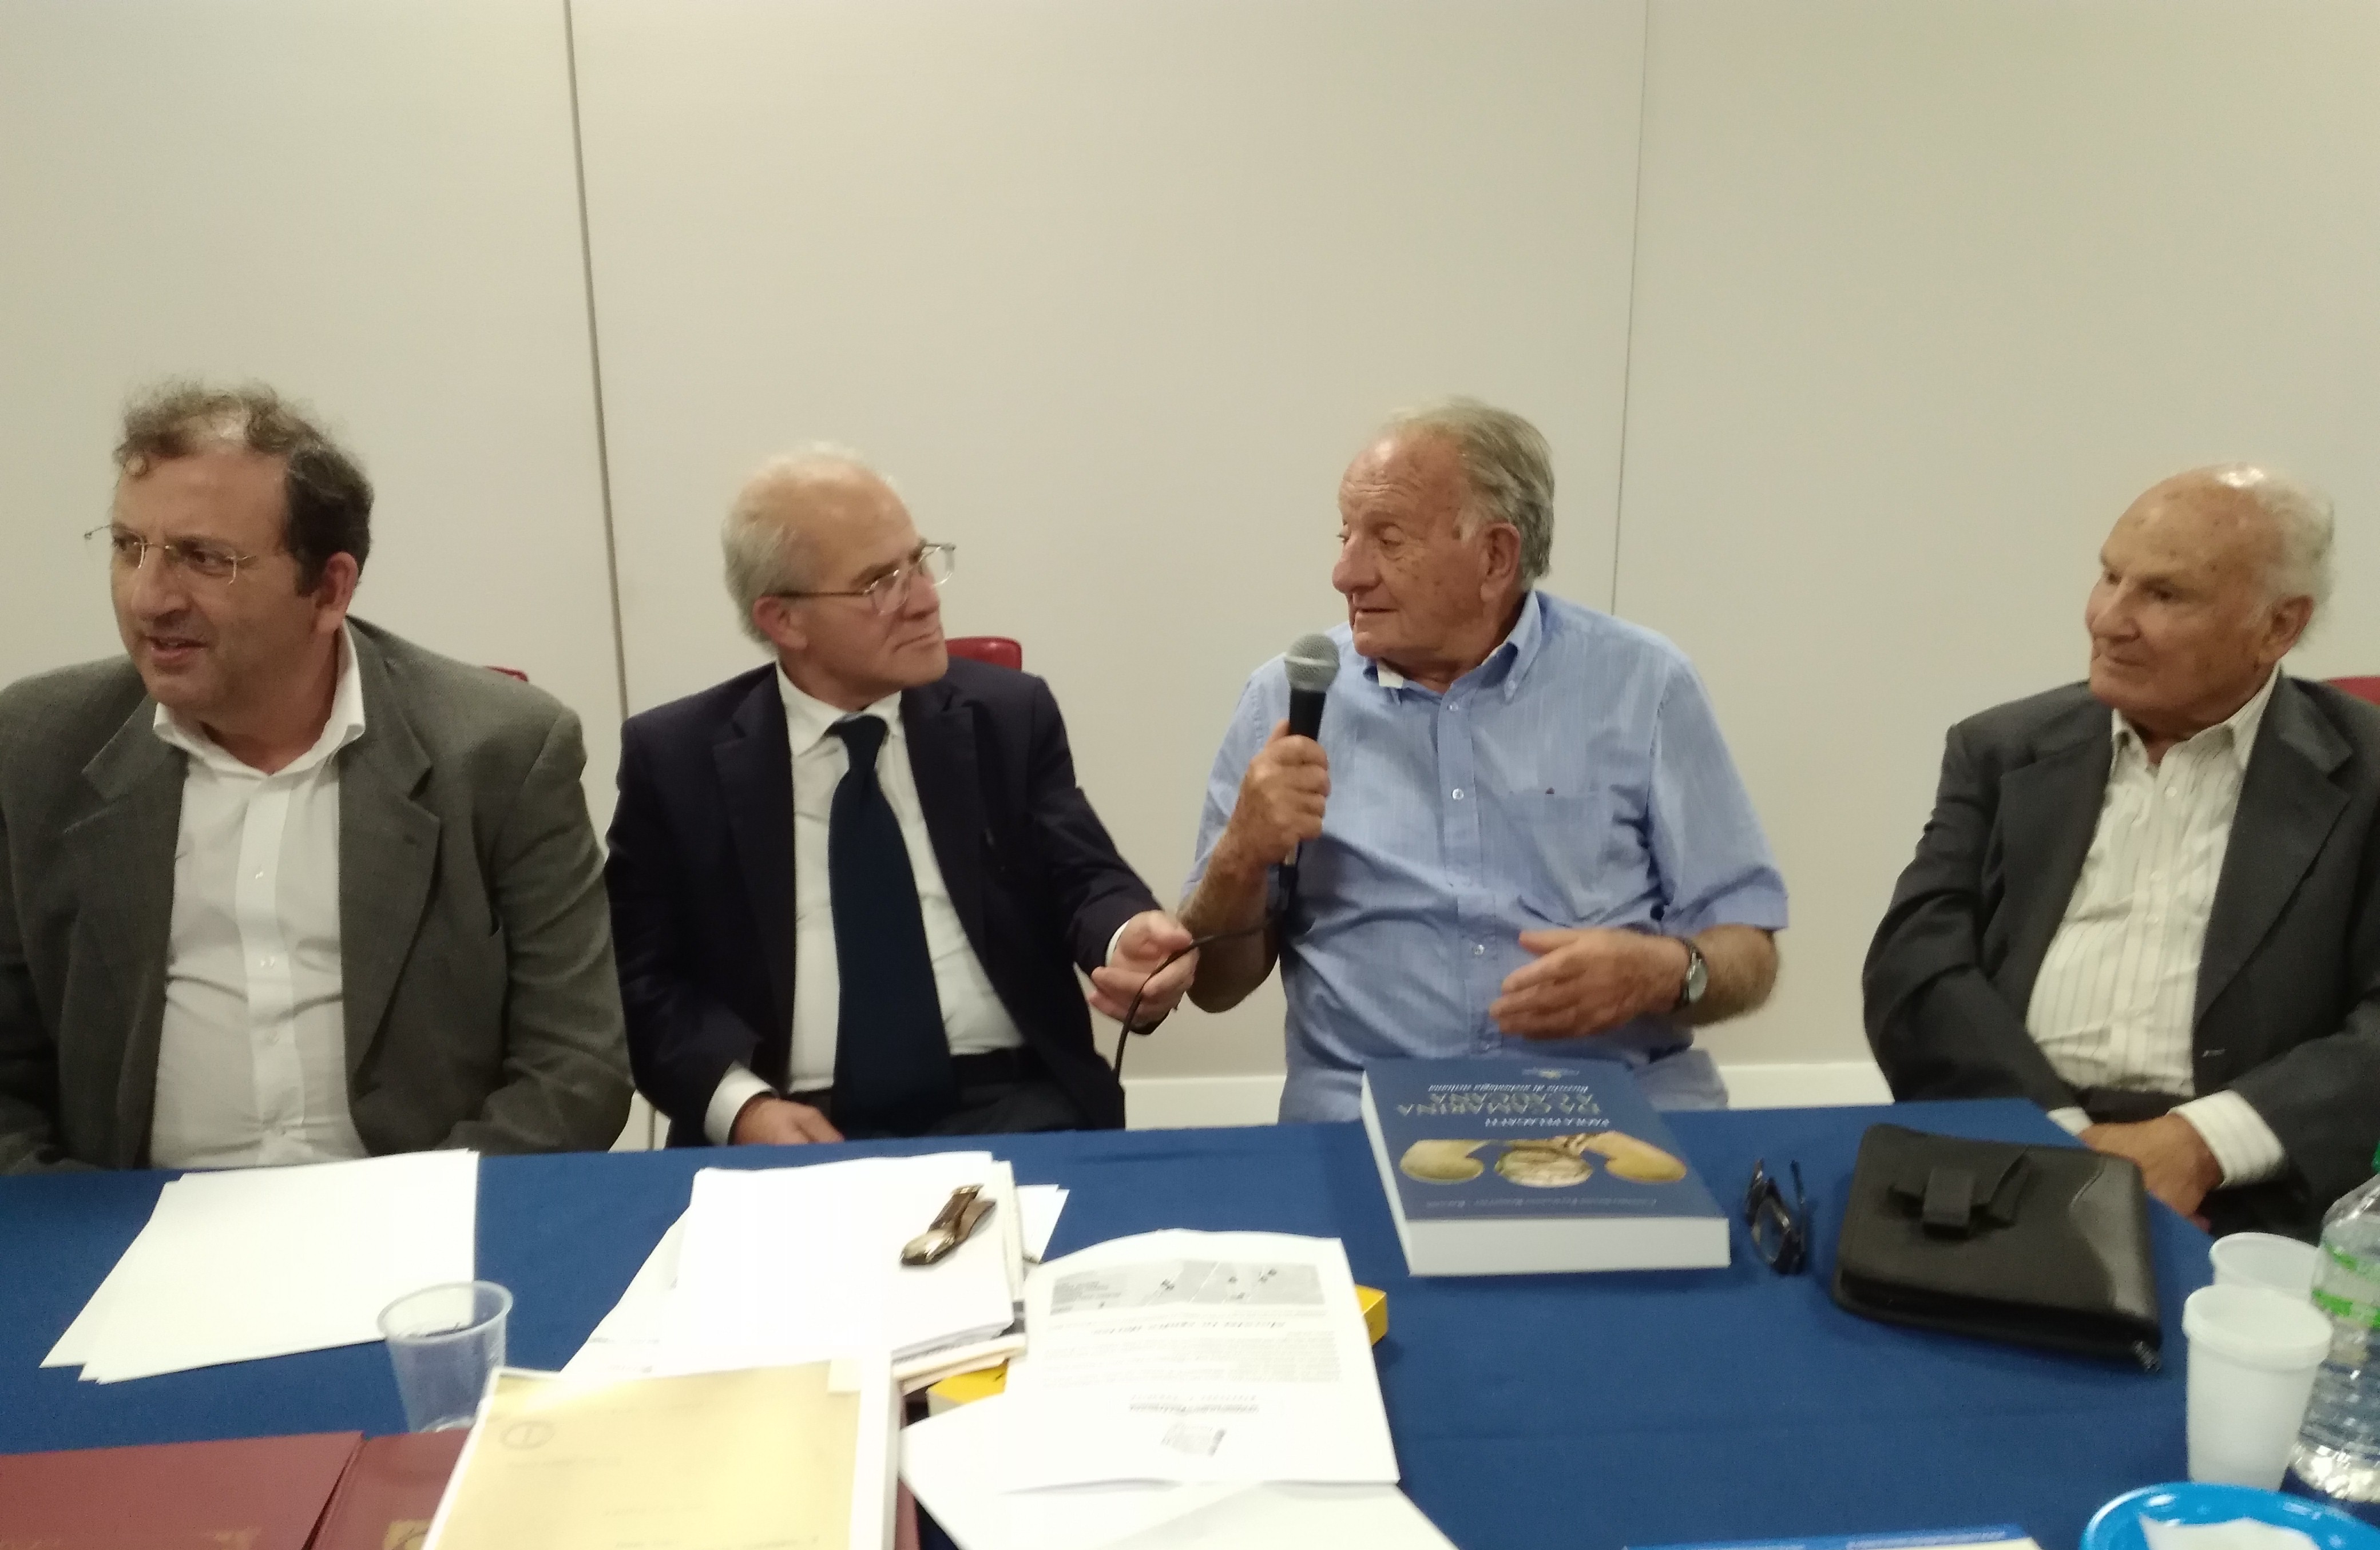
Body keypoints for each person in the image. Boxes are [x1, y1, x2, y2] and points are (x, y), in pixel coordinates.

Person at [0, 382, 632, 1171]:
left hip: (416, 1209)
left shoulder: (500, 751)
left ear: (330, 589)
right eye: (130, 547)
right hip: (130, 1215)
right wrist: (79, 1219)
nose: (149, 597)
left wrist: (414, 1214)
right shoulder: (37, 750)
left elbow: (576, 1069)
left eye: (204, 558)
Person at [1180, 399, 1788, 1122]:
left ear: (1495, 557)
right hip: (1366, 1116)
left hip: (1614, 1107)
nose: (1345, 573)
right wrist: (1240, 855)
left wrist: (1662, 974)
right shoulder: (1283, 701)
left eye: (1387, 540)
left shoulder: (1644, 685)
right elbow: (1212, 986)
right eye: (1345, 536)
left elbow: (1748, 951)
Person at [606, 449, 1195, 1147]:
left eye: (918, 563)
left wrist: (1127, 937)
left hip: (1012, 1103)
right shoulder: (676, 760)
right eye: (879, 584)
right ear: (784, 620)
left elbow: (1084, 876)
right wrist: (741, 1108)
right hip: (787, 1120)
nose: (924, 599)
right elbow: (641, 984)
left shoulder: (1006, 717)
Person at [1864, 466, 2380, 1240]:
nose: (2108, 620)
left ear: (2278, 627)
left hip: (2258, 1189)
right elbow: (1916, 968)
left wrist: (2201, 1144)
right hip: (2011, 1149)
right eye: (2109, 576)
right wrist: (2063, 1141)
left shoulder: (2365, 774)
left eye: (2163, 595)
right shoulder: (2000, 749)